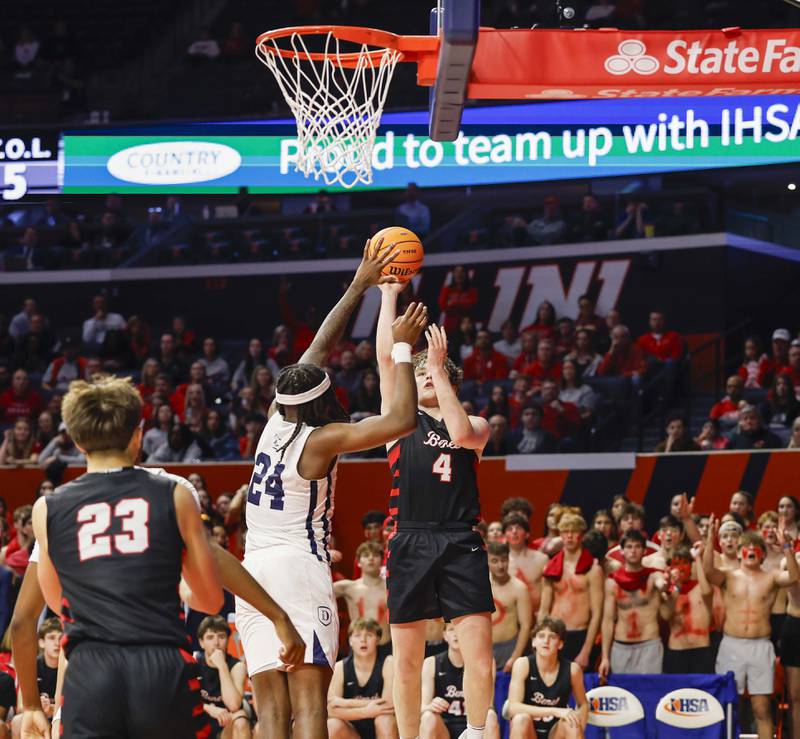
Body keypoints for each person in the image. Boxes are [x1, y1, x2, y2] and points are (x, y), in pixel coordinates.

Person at [235, 243, 426, 739]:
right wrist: (403, 345)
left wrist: (361, 283)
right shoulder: (322, 439)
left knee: (271, 714)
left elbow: (318, 347)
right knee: (311, 708)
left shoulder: (277, 417)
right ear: (325, 400)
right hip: (298, 569)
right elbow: (403, 420)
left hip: (254, 572)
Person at [29, 375, 225, 737]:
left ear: (76, 439)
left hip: (91, 668)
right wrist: (182, 589)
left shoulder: (47, 508)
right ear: (138, 434)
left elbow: (58, 603)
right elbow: (211, 600)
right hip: (162, 665)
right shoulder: (176, 493)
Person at [377, 280, 494, 739]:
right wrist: (389, 295)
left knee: (480, 655)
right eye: (420, 372)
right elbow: (388, 358)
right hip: (410, 536)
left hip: (462, 539)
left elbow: (462, 433)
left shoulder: (477, 425)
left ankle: (478, 732)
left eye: (432, 372)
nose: (424, 375)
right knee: (406, 660)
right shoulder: (399, 419)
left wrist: (440, 372)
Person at [705, 516, 799, 739]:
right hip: (731, 646)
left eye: (755, 548)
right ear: (738, 553)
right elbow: (708, 572)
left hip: (760, 647)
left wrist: (787, 545)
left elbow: (794, 577)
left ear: (762, 554)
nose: (750, 550)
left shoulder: (772, 576)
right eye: (745, 547)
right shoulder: (728, 577)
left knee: (761, 708)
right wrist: (710, 538)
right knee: (728, 706)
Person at [538, 514, 603, 669]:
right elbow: (543, 609)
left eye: (574, 531)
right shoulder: (550, 568)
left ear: (581, 535)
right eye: (565, 531)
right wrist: (539, 641)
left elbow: (597, 614)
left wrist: (586, 651)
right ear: (560, 535)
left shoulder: (593, 570)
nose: (569, 535)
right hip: (554, 632)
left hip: (579, 635)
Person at [507, 617, 588, 739]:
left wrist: (579, 725)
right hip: (529, 730)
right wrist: (555, 711)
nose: (546, 641)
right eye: (541, 636)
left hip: (556, 732)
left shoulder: (573, 669)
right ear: (533, 642)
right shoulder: (522, 664)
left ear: (560, 644)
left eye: (552, 637)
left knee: (572, 723)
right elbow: (513, 708)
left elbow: (583, 705)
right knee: (520, 719)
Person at [599, 530, 666, 677]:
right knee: (623, 696)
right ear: (622, 551)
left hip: (649, 644)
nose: (633, 550)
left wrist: (664, 585)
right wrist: (605, 657)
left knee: (650, 694)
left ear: (644, 551)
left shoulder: (654, 575)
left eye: (637, 546)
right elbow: (608, 620)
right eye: (629, 547)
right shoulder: (612, 581)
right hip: (621, 645)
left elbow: (662, 584)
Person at [419, 623, 499, 739]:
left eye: (460, 629)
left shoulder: (486, 663)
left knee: (490, 716)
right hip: (444, 728)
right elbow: (422, 708)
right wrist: (431, 706)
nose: (456, 634)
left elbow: (489, 705)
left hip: (474, 725)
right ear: (445, 635)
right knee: (427, 717)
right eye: (451, 630)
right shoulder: (431, 663)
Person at [327, 618, 398, 739]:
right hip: (353, 730)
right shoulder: (340, 667)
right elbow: (331, 710)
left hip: (380, 723)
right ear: (350, 640)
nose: (363, 640)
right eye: (357, 635)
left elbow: (388, 705)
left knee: (384, 720)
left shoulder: (388, 662)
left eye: (369, 635)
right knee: (332, 725)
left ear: (378, 639)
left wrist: (345, 703)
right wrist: (367, 711)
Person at [659, 544, 714, 674]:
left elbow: (707, 592)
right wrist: (676, 588)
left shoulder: (701, 588)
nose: (681, 568)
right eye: (676, 564)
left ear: (691, 566)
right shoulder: (666, 592)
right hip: (676, 650)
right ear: (670, 568)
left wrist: (698, 559)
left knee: (702, 693)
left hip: (701, 649)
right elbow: (666, 615)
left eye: (685, 563)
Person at [197, 615, 251, 738]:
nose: (216, 643)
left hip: (227, 724)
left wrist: (222, 666)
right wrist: (209, 709)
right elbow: (184, 700)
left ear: (227, 640)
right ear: (201, 642)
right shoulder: (194, 663)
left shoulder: (237, 666)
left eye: (221, 637)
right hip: (202, 719)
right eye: (210, 637)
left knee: (240, 718)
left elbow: (233, 705)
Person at [334, 542, 390, 653]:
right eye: (366, 555)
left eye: (375, 555)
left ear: (382, 561)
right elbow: (316, 592)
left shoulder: (391, 588)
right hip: (357, 647)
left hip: (386, 647)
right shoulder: (348, 587)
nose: (371, 558)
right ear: (358, 562)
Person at [487, 542, 532, 673]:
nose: (500, 565)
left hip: (509, 647)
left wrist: (515, 656)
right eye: (494, 561)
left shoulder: (519, 588)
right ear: (487, 561)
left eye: (503, 560)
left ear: (508, 559)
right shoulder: (480, 586)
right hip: (484, 646)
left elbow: (526, 626)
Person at [504, 515, 550, 618]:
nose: (514, 532)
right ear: (505, 535)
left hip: (536, 616)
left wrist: (543, 614)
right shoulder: (499, 563)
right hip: (510, 618)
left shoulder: (542, 559)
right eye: (509, 529)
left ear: (527, 534)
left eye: (518, 528)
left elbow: (547, 590)